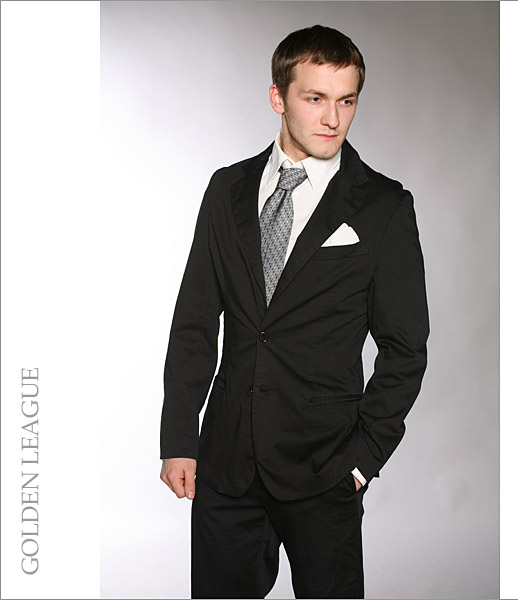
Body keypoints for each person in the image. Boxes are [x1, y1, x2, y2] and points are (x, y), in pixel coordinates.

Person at [159, 24, 429, 599]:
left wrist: (363, 459)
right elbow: (194, 323)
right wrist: (180, 437)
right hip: (226, 463)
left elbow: (405, 348)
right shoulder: (226, 189)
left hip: (325, 468)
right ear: (278, 97)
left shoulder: (383, 206)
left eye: (347, 101)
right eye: (315, 98)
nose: (333, 118)